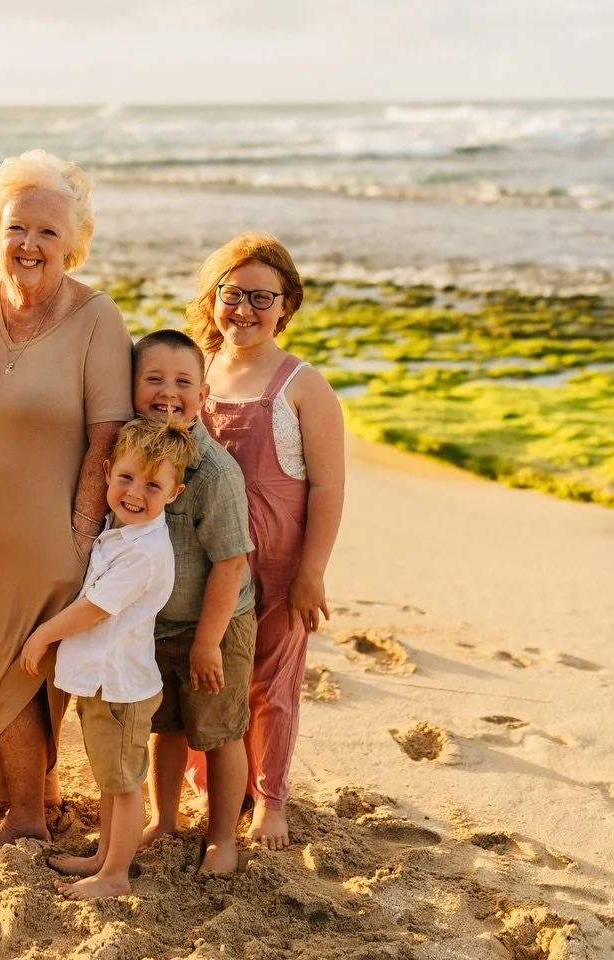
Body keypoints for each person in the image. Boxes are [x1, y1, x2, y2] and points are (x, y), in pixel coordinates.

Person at [0, 150, 134, 853]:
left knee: (20, 666)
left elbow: (107, 436)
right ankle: (32, 791)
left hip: (48, 532)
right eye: (18, 228)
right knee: (9, 667)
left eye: (48, 233)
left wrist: (82, 531)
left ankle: (27, 816)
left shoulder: (98, 318)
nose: (30, 245)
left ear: (71, 243)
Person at [188, 232, 346, 850]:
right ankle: (213, 787)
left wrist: (313, 572)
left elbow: (328, 487)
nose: (245, 310)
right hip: (204, 555)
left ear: (286, 306)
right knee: (207, 674)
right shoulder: (194, 370)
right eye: (233, 294)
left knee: (272, 682)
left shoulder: (303, 385)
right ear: (213, 298)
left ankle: (270, 797)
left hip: (278, 564)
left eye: (262, 297)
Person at [18, 417, 195, 899]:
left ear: (174, 494)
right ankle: (103, 856)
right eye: (126, 478)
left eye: (153, 486)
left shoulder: (143, 551)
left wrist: (42, 637)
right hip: (102, 682)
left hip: (119, 685)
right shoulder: (120, 532)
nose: (135, 492)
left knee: (124, 785)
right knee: (109, 778)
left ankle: (116, 875)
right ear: (107, 470)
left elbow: (95, 608)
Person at [132, 329, 256, 875]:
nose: (167, 393)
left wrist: (207, 643)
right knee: (169, 726)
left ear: (203, 394)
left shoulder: (215, 472)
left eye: (183, 382)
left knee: (220, 732)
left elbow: (230, 564)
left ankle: (223, 837)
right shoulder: (135, 455)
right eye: (153, 379)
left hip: (217, 627)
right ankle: (164, 819)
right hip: (159, 626)